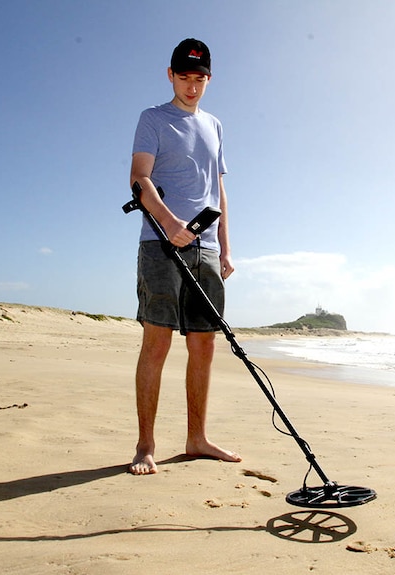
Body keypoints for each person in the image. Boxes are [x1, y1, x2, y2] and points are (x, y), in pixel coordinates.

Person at [128, 38, 241, 475]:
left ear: (208, 79)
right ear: (170, 75)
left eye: (200, 79)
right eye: (184, 77)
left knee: (205, 344)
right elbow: (139, 179)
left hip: (207, 249)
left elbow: (219, 191)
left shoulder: (215, 125)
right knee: (156, 343)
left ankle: (197, 439)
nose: (192, 87)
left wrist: (225, 247)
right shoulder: (153, 119)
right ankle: (145, 445)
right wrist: (172, 223)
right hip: (160, 243)